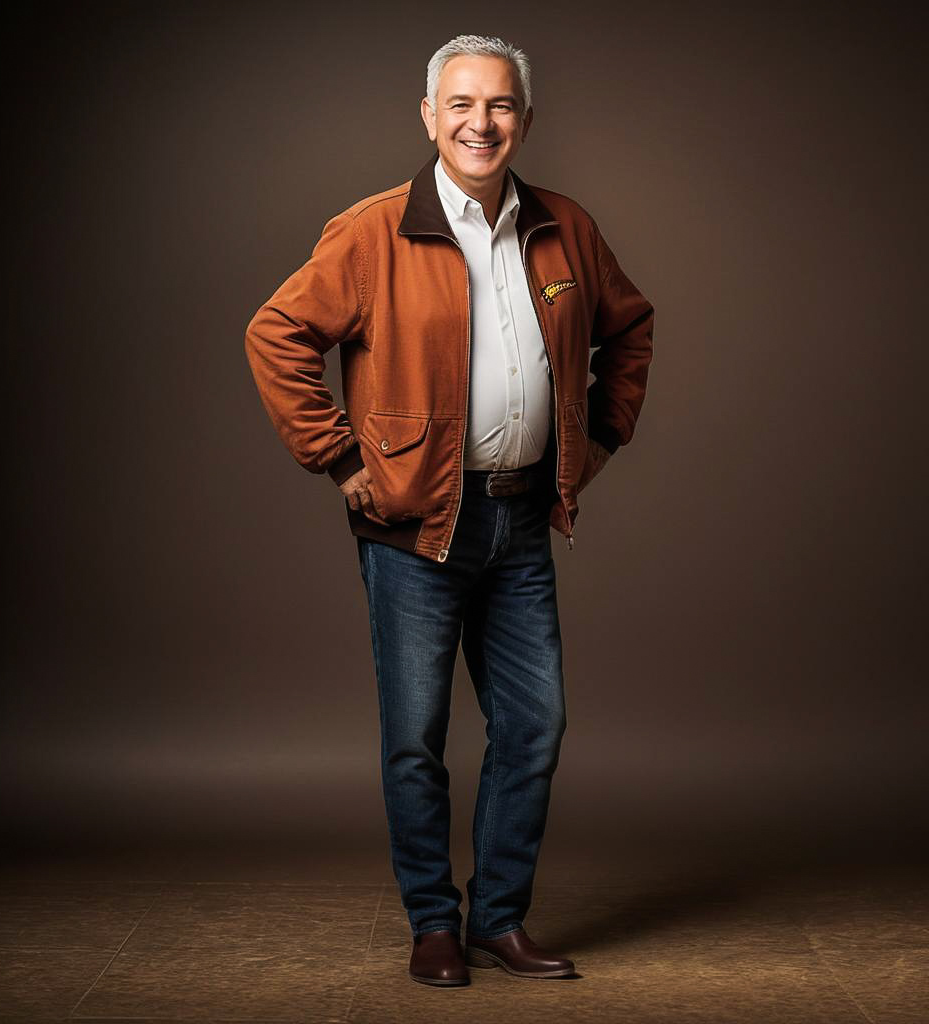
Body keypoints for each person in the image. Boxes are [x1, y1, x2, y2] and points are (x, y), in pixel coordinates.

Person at [244, 33, 654, 987]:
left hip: (518, 522)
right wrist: (337, 454)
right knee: (415, 735)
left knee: (534, 727)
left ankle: (498, 920)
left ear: (524, 120)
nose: (481, 122)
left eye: (501, 105)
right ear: (428, 118)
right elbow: (277, 333)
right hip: (413, 528)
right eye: (461, 105)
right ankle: (435, 921)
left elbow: (629, 328)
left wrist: (597, 440)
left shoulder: (565, 228)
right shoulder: (373, 230)